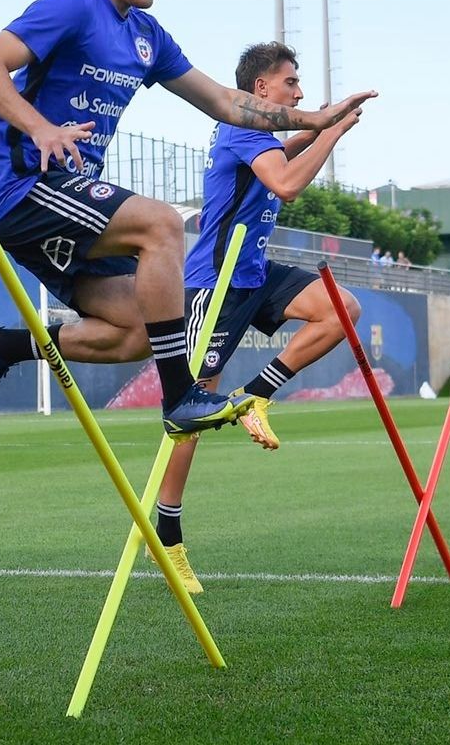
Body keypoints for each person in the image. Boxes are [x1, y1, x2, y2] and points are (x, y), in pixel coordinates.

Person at [0, 0, 371, 438]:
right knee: (162, 223)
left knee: (136, 333)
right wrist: (41, 128)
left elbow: (226, 102)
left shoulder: (147, 37)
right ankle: (181, 398)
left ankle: (2, 345)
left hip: (73, 202)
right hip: (28, 190)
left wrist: (312, 119)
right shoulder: (71, 6)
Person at [151, 43, 367, 591]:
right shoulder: (242, 126)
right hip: (214, 284)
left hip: (253, 272)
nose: (298, 92)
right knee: (190, 418)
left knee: (342, 310)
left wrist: (319, 130)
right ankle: (168, 536)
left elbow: (284, 154)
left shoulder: (257, 134)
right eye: (291, 82)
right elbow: (287, 185)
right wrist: (332, 134)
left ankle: (257, 395)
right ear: (262, 90)